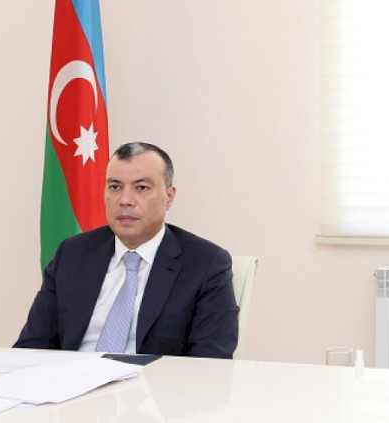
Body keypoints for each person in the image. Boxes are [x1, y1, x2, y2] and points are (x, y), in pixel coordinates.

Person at [15, 142, 238, 358]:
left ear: (169, 197)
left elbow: (210, 363)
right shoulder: (72, 254)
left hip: (154, 383)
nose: (125, 200)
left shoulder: (206, 264)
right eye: (115, 187)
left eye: (141, 188)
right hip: (72, 380)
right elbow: (31, 347)